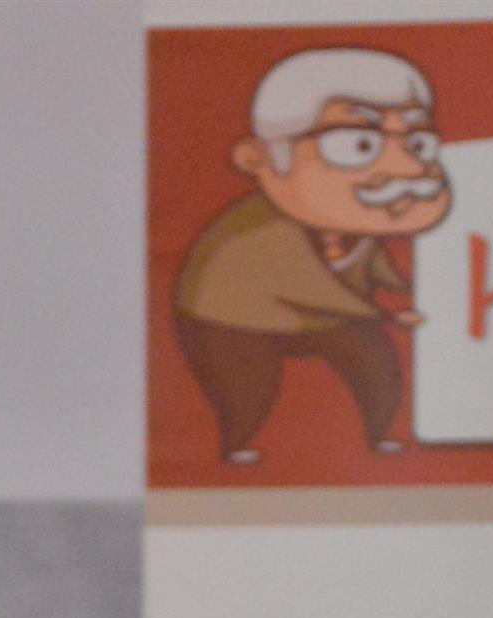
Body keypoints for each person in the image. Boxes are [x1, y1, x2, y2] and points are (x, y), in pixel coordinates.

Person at [172, 46, 451, 464]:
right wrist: (388, 315)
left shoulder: (356, 222)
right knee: (247, 388)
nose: (408, 168)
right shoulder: (260, 235)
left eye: (416, 143)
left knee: (377, 365)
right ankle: (236, 443)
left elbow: (374, 267)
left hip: (325, 319)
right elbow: (315, 290)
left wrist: (410, 290)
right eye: (358, 144)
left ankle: (381, 435)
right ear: (259, 159)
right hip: (231, 319)